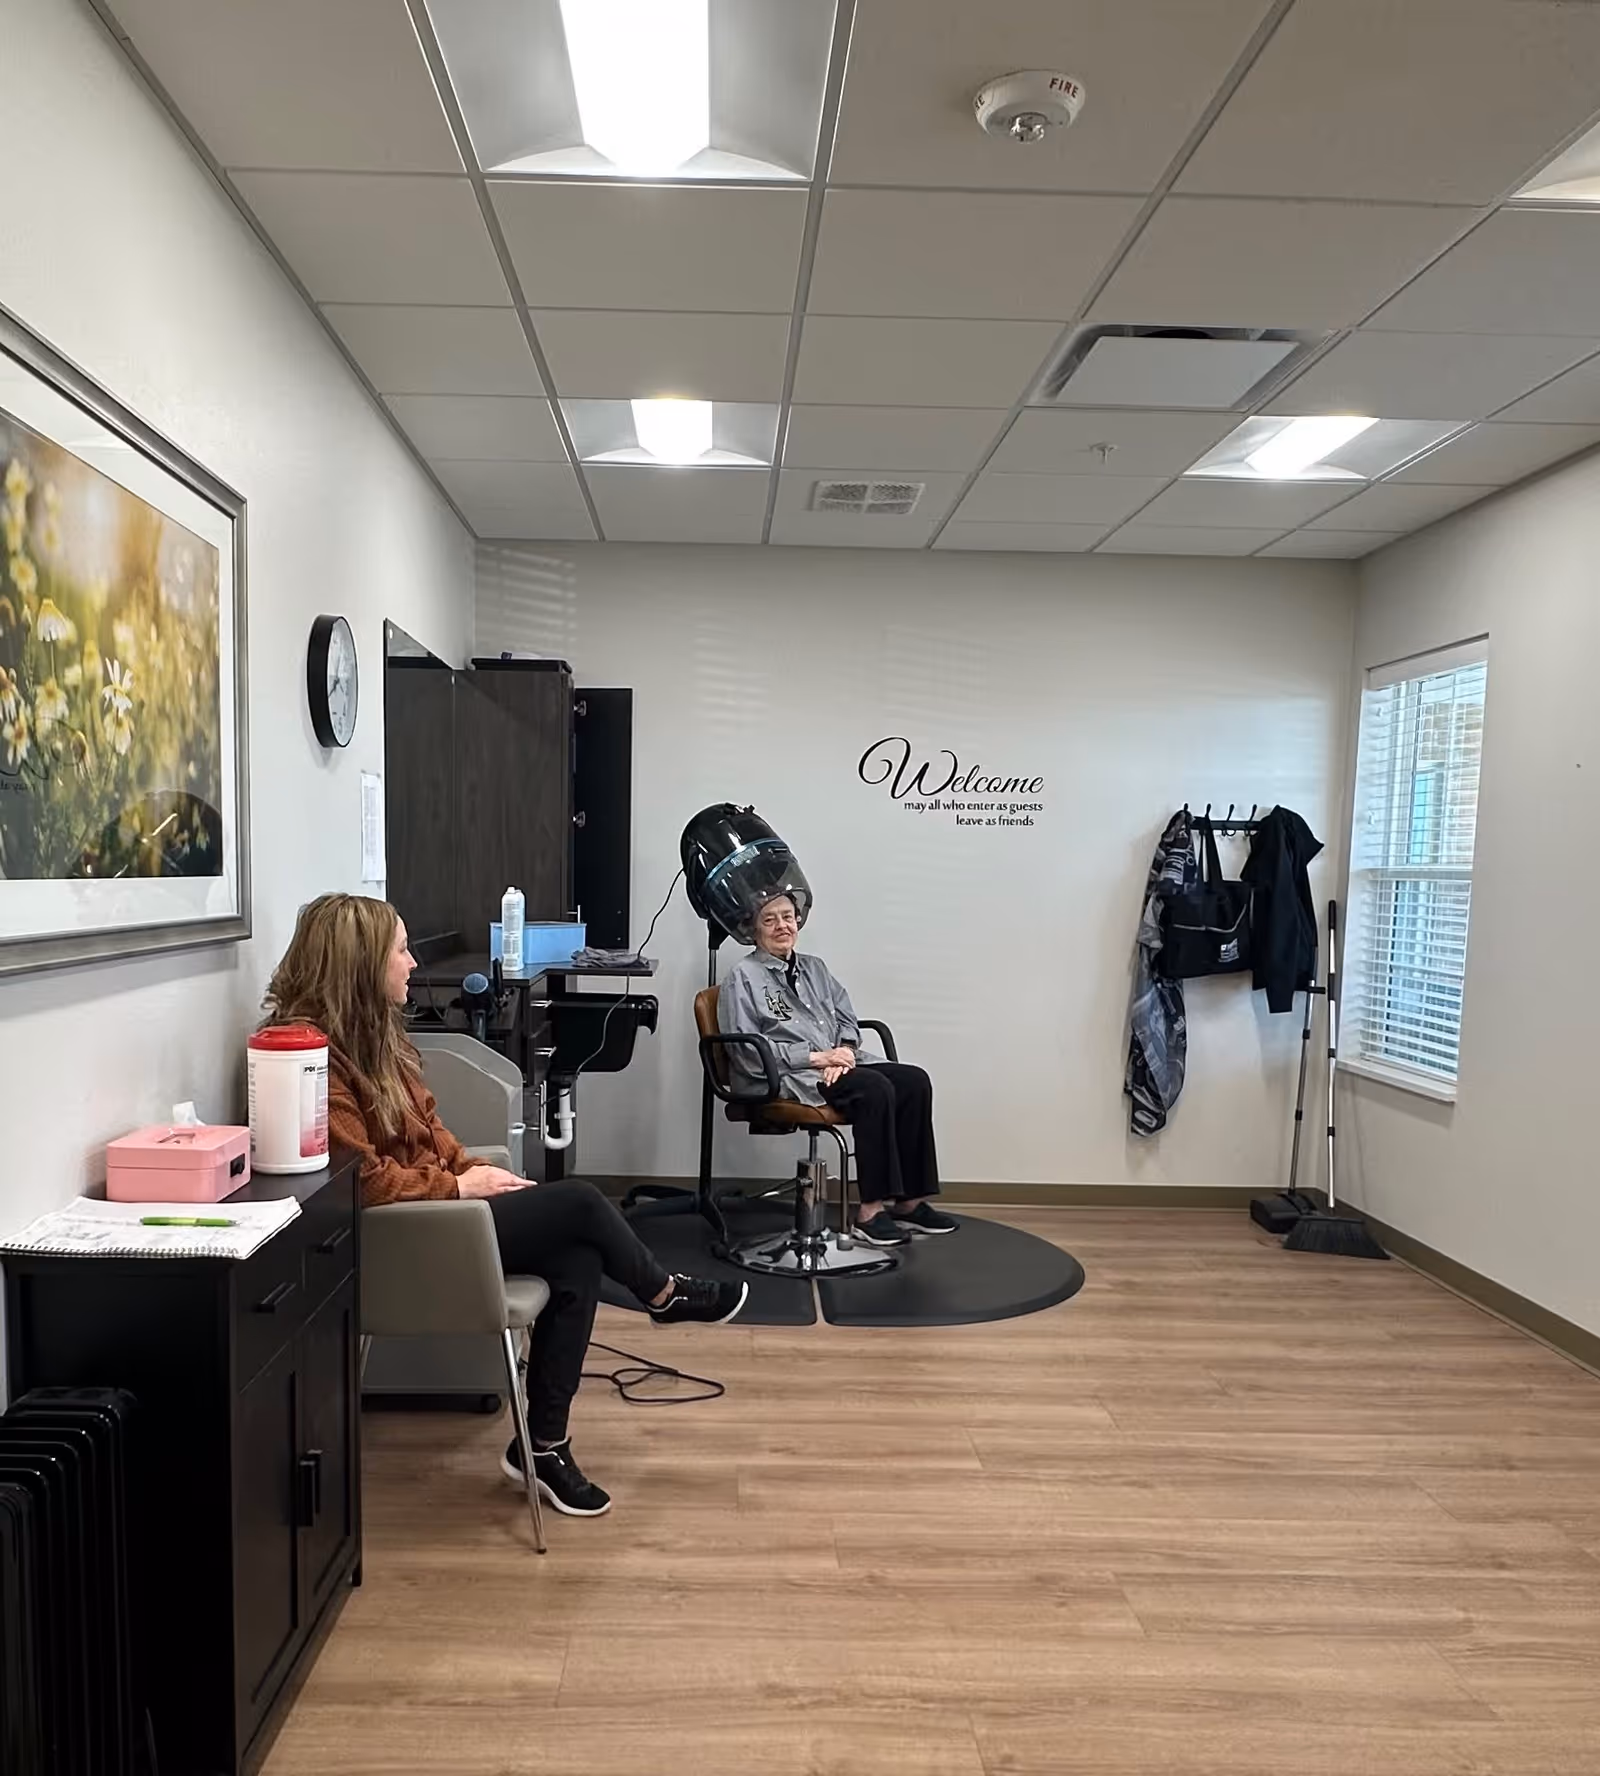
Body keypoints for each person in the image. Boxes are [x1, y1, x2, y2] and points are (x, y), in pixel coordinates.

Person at [261, 893, 747, 1520]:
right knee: (580, 1202)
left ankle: (543, 1447)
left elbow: (433, 1135)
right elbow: (360, 1182)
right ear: (359, 965)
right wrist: (459, 1188)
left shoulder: (379, 1041)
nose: (413, 964)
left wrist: (468, 1168)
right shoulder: (313, 1061)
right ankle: (663, 1294)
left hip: (438, 1222)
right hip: (401, 1242)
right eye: (401, 951)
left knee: (577, 1258)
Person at [717, 894, 957, 1247]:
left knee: (914, 1081)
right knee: (874, 1089)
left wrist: (843, 1051)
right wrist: (818, 1059)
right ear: (754, 930)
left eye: (788, 917)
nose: (782, 926)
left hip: (835, 1063)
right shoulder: (743, 977)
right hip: (785, 1074)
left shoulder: (815, 968)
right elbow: (745, 1053)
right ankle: (870, 1212)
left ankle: (909, 1202)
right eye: (770, 920)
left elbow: (846, 1018)